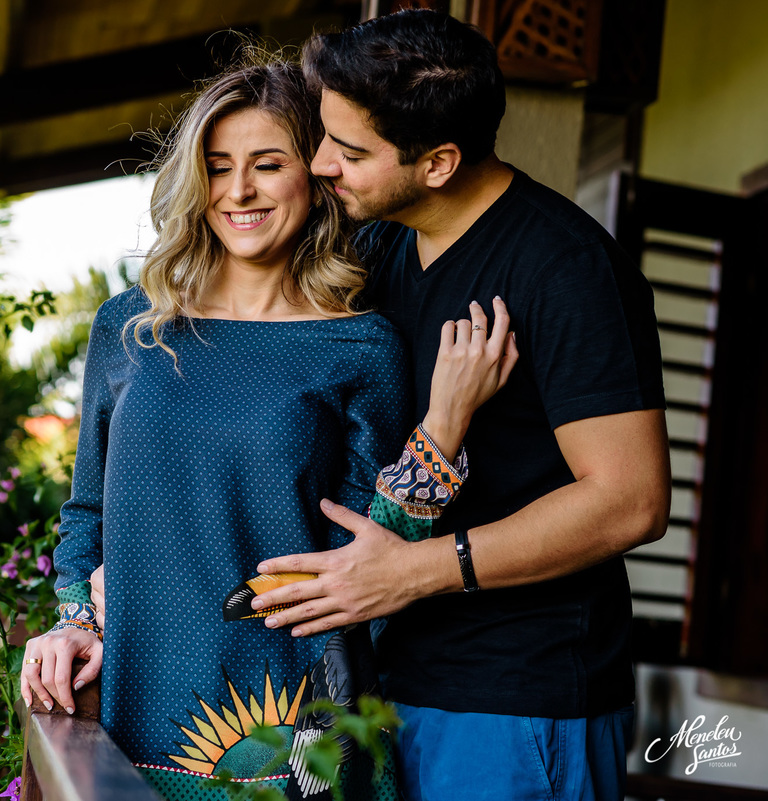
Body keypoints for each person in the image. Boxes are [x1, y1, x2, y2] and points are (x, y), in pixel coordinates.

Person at [19, 55, 515, 801]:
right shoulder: (130, 328)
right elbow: (87, 514)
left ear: (313, 177)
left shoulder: (361, 346)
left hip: (283, 737)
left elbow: (370, 557)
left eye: (266, 164)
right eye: (217, 167)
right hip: (124, 716)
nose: (239, 190)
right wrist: (73, 621)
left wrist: (441, 432)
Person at [247, 10, 672, 801]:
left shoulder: (567, 269)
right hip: (372, 675)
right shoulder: (380, 244)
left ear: (439, 161)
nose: (321, 164)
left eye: (351, 150)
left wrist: (410, 572)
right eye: (324, 137)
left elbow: (631, 501)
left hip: (514, 698)